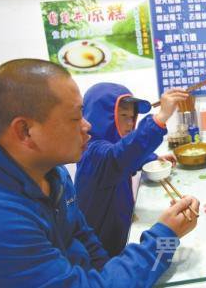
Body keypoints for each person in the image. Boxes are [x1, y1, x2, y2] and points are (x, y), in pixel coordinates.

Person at [0, 59, 199, 288]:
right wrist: (166, 237)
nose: (86, 126)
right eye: (75, 118)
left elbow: (88, 243)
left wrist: (112, 274)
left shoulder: (54, 173)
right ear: (25, 131)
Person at [75, 82, 186, 256]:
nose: (130, 123)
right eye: (123, 115)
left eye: (133, 117)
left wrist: (154, 158)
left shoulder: (112, 149)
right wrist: (161, 118)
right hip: (101, 249)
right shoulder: (92, 152)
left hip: (121, 234)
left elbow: (126, 157)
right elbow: (119, 156)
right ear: (101, 116)